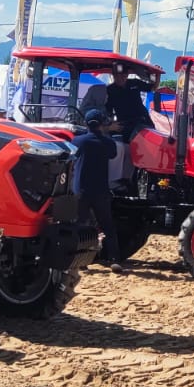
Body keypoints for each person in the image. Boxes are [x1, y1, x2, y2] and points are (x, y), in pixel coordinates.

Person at [72, 109, 123, 273]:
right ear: (102, 124)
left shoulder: (78, 140)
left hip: (80, 189)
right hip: (100, 189)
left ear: (86, 123)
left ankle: (81, 262)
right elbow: (113, 153)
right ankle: (114, 259)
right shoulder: (108, 143)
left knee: (81, 225)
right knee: (107, 225)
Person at [105, 67, 152, 138]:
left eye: (122, 75)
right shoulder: (109, 90)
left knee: (152, 138)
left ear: (127, 75)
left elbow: (152, 87)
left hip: (143, 121)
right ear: (113, 75)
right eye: (117, 76)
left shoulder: (135, 83)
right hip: (124, 123)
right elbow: (108, 110)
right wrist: (111, 124)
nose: (120, 78)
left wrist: (156, 75)